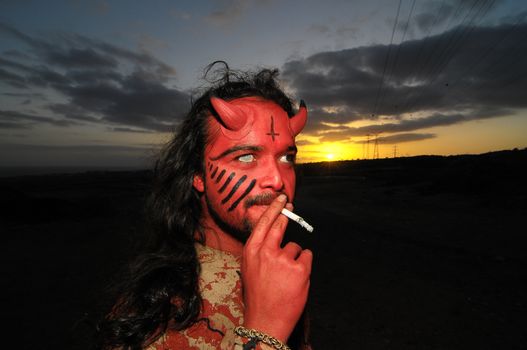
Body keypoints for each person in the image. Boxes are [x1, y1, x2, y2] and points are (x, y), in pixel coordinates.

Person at [97, 62, 313, 350]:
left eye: (287, 158)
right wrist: (265, 333)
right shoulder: (155, 311)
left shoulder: (281, 272)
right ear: (198, 175)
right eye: (246, 157)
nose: (277, 180)